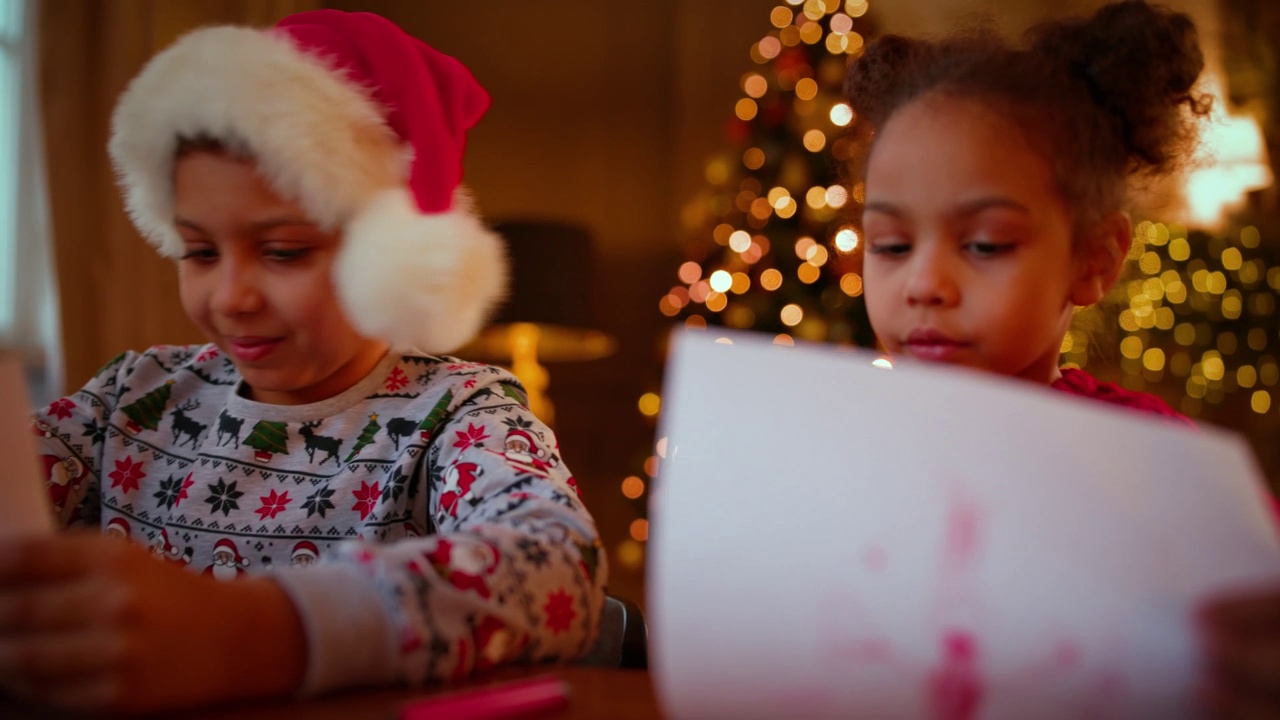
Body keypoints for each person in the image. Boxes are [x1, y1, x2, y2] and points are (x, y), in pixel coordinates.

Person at [0, 10, 605, 714]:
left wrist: (259, 634)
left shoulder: (456, 415)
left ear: (393, 256)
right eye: (199, 251)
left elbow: (559, 570)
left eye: (283, 251)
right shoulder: (131, 397)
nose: (229, 298)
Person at [842, 1, 1277, 715]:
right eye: (890, 246)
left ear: (1095, 259)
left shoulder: (1154, 461)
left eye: (984, 244)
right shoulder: (833, 443)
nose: (923, 284)